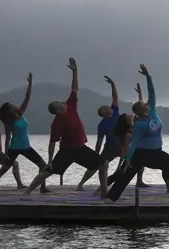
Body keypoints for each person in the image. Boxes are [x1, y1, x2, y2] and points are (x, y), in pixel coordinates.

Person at [24, 57, 109, 197]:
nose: (65, 102)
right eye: (61, 103)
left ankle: (104, 192)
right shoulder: (57, 123)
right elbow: (52, 143)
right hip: (66, 151)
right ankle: (28, 191)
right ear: (58, 110)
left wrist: (75, 71)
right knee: (48, 170)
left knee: (103, 164)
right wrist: (50, 161)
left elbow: (75, 88)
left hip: (81, 148)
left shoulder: (71, 104)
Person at [105, 64, 169, 203]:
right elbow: (135, 141)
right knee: (126, 173)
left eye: (145, 103)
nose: (146, 104)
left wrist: (148, 77)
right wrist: (128, 159)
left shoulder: (152, 111)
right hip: (141, 153)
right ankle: (111, 198)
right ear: (139, 111)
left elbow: (152, 92)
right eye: (143, 105)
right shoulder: (139, 124)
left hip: (157, 152)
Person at [0, 72, 49, 194]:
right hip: (14, 148)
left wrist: (30, 83)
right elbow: (7, 139)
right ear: (10, 110)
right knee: (4, 169)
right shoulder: (9, 123)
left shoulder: (20, 113)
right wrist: (6, 153)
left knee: (43, 165)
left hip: (26, 147)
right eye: (12, 105)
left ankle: (42, 187)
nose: (15, 105)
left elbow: (27, 97)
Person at [76, 75, 122, 190]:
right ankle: (81, 184)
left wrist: (113, 85)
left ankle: (139, 181)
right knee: (97, 166)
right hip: (110, 148)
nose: (108, 108)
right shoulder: (102, 125)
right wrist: (96, 154)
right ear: (103, 114)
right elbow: (99, 140)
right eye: (105, 109)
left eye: (107, 107)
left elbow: (115, 97)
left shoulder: (116, 113)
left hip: (122, 145)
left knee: (136, 161)